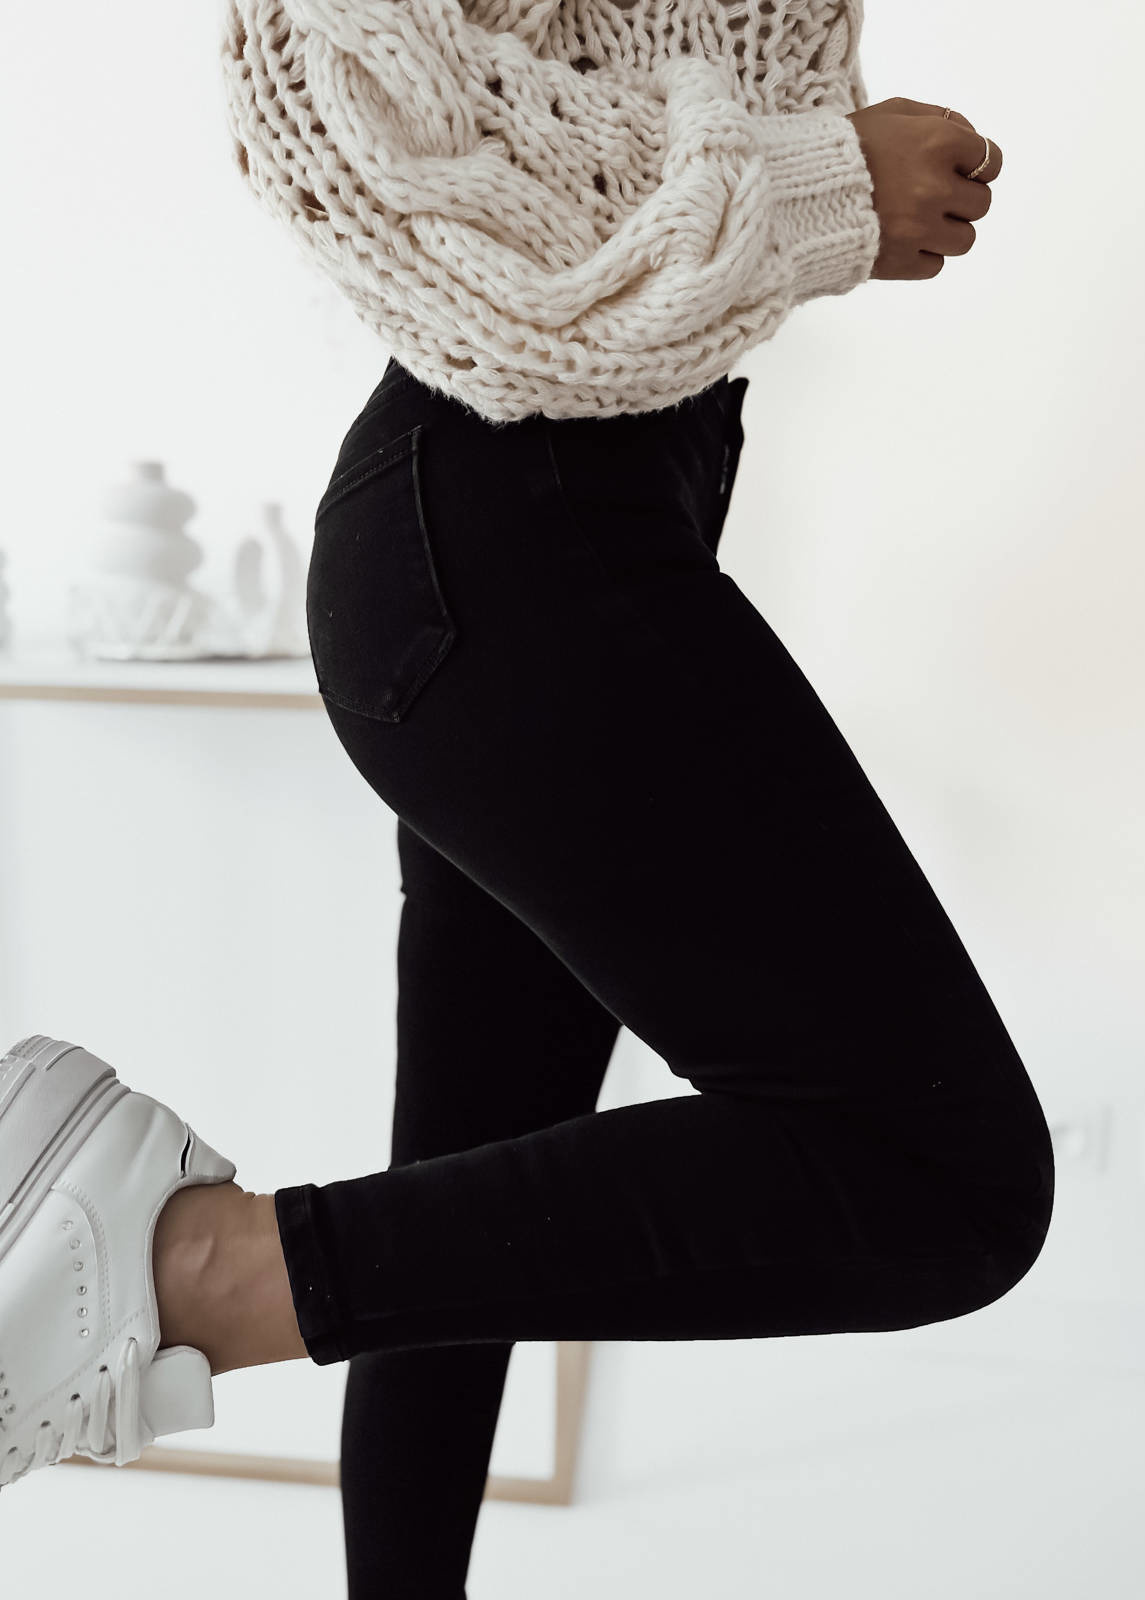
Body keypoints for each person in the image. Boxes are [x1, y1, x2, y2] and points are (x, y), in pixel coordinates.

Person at [0, 2, 1053, 1595]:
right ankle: (190, 1267)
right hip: (515, 546)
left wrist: (813, 179)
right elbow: (361, 119)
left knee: (466, 1220)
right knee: (945, 1178)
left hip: (532, 542)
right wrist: (825, 178)